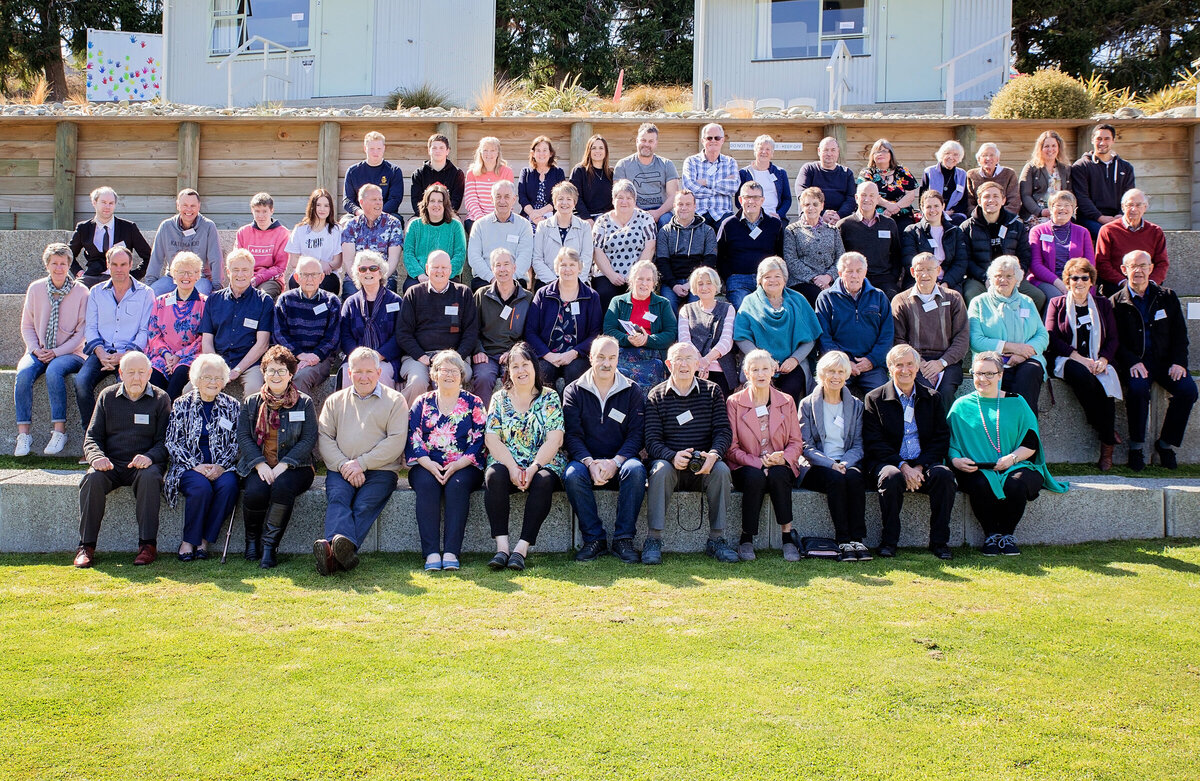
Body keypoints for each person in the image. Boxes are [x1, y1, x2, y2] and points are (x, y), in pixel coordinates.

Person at [949, 351, 1068, 555]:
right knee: (979, 483)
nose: (982, 379)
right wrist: (956, 461)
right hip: (977, 468)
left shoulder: (1017, 402)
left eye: (989, 374)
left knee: (1016, 482)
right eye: (977, 373)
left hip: (1016, 463)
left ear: (1000, 375)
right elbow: (950, 442)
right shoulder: (961, 406)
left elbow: (1031, 443)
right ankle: (991, 535)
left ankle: (1006, 535)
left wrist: (1012, 458)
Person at [314, 346, 409, 576]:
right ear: (348, 373)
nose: (363, 377)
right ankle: (340, 554)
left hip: (381, 470)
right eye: (358, 372)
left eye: (369, 371)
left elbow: (396, 441)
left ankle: (331, 555)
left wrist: (362, 463)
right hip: (341, 468)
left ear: (379, 372)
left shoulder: (395, 401)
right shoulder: (334, 401)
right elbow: (325, 437)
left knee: (364, 504)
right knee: (338, 498)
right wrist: (346, 465)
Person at [643, 342, 738, 565]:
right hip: (670, 467)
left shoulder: (712, 391)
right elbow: (651, 441)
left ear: (698, 363)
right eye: (678, 358)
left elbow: (723, 431)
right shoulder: (655, 395)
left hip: (703, 467)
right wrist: (671, 456)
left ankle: (717, 539)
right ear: (668, 364)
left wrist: (713, 455)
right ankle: (653, 539)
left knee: (722, 470)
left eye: (689, 358)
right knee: (659, 469)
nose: (683, 364)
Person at [74, 351, 169, 568]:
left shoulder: (161, 398)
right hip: (111, 464)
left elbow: (166, 442)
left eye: (141, 373)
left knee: (150, 478)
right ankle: (85, 546)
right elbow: (92, 437)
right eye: (131, 373)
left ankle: (147, 546)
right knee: (91, 479)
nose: (136, 378)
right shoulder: (107, 396)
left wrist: (150, 457)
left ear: (150, 373)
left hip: (144, 465)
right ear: (121, 374)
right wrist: (96, 457)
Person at [862, 344, 957, 560]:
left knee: (944, 475)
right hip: (890, 461)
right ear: (889, 368)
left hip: (923, 462)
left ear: (917, 368)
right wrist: (903, 466)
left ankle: (939, 542)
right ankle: (889, 542)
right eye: (898, 365)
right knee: (892, 477)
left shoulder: (932, 397)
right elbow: (874, 442)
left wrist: (919, 466)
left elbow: (940, 439)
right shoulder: (874, 399)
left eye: (909, 365)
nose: (904, 370)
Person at [562, 335, 647, 564]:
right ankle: (594, 539)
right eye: (601, 357)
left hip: (620, 461)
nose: (606, 363)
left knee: (636, 470)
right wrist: (590, 463)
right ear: (591, 358)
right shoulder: (573, 391)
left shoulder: (632, 390)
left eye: (612, 358)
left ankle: (623, 539)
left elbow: (636, 435)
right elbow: (572, 436)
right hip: (585, 462)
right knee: (571, 475)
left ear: (618, 359)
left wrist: (614, 462)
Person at [483, 342, 567, 571]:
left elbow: (555, 439)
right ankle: (502, 548)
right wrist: (511, 466)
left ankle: (521, 549)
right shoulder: (500, 398)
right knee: (493, 474)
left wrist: (533, 467)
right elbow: (491, 439)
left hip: (542, 462)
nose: (521, 371)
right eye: (515, 366)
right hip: (508, 460)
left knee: (543, 480)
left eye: (525, 365)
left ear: (535, 367)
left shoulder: (549, 397)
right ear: (508, 371)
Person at [1110, 250, 1195, 470]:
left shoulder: (1167, 296)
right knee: (1138, 391)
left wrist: (1179, 362)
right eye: (1133, 266)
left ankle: (1165, 444)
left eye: (1143, 266)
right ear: (1124, 270)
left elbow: (1180, 334)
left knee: (1188, 391)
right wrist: (1130, 362)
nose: (1138, 270)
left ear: (1150, 268)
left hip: (1166, 362)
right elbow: (1114, 341)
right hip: (1136, 363)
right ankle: (1136, 447)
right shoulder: (1115, 302)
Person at [406, 350, 487, 572]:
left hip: (465, 465)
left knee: (457, 486)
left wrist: (459, 464)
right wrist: (427, 463)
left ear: (462, 375)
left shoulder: (474, 403)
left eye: (454, 371)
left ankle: (451, 551)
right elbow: (413, 435)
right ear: (434, 374)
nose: (449, 375)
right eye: (443, 370)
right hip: (427, 464)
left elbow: (480, 438)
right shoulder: (422, 402)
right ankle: (431, 552)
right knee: (426, 485)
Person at [237, 345, 318, 567]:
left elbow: (309, 438)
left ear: (291, 374)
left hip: (296, 467)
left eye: (282, 370)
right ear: (263, 373)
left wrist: (285, 464)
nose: (276, 375)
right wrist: (260, 464)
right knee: (254, 491)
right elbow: (244, 437)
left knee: (282, 487)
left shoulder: (304, 402)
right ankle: (251, 542)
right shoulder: (251, 403)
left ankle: (269, 547)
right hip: (259, 464)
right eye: (271, 370)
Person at [725, 349, 804, 561]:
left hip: (780, 463)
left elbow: (797, 442)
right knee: (755, 476)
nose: (760, 374)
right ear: (746, 373)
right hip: (746, 466)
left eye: (765, 369)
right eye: (755, 369)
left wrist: (783, 457)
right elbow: (731, 448)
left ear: (773, 372)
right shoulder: (734, 402)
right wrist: (758, 463)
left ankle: (787, 538)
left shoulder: (786, 401)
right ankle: (746, 539)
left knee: (778, 474)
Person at [1044, 258, 1123, 469]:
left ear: (1091, 281)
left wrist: (1103, 359)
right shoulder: (1057, 304)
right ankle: (1106, 433)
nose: (1079, 282)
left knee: (1104, 385)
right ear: (1067, 281)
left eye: (1084, 278)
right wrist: (1079, 358)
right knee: (1080, 374)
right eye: (1074, 278)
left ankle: (1106, 452)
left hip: (1099, 358)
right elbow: (1051, 337)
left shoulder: (1103, 304)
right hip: (1068, 359)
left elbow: (1114, 338)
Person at [164, 353, 240, 562]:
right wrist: (195, 465)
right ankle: (189, 541)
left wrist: (220, 466)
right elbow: (172, 442)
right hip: (188, 467)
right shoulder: (181, 404)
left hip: (222, 466)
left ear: (224, 381)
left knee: (229, 486)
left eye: (218, 378)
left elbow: (236, 442)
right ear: (196, 379)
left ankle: (205, 539)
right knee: (201, 488)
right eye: (207, 377)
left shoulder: (232, 406)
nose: (212, 382)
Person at [15, 243, 88, 457]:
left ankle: (59, 431)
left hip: (71, 353)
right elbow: (27, 325)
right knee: (24, 373)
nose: (59, 268)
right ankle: (24, 434)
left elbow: (81, 333)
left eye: (63, 264)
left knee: (54, 370)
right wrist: (36, 349)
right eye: (54, 263)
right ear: (47, 265)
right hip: (39, 350)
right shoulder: (36, 289)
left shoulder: (81, 291)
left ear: (69, 265)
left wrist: (56, 352)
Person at [797, 351, 869, 562]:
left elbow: (858, 444)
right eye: (831, 371)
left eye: (840, 371)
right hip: (816, 466)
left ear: (847, 374)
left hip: (848, 462)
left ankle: (858, 539)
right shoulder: (808, 404)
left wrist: (844, 463)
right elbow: (806, 446)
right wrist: (831, 464)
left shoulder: (856, 405)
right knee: (836, 479)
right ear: (821, 373)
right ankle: (843, 539)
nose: (835, 376)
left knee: (855, 478)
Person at [75, 246, 155, 433]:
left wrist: (125, 355)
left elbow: (145, 330)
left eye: (123, 264)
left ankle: (122, 438)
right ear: (107, 265)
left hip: (129, 353)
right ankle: (91, 437)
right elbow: (91, 327)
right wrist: (101, 353)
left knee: (128, 387)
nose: (119, 269)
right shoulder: (96, 292)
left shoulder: (145, 293)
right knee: (81, 382)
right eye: (114, 264)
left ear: (131, 265)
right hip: (101, 351)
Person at [968, 256, 1049, 415]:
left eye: (1008, 276)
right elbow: (975, 340)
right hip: (993, 360)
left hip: (1026, 359)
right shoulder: (979, 302)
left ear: (1017, 279)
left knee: (1030, 373)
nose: (1003, 280)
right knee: (1001, 377)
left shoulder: (1027, 301)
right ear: (991, 278)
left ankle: (1026, 432)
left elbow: (1042, 335)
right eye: (998, 276)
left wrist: (1023, 354)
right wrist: (1012, 347)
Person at [396, 249, 479, 406]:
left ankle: (452, 424)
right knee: (417, 382)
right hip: (419, 358)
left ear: (450, 269)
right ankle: (409, 423)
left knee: (450, 379)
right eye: (435, 267)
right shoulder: (413, 293)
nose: (439, 271)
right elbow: (403, 333)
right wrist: (423, 358)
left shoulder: (463, 293)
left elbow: (471, 332)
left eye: (443, 267)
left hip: (455, 357)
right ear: (427, 269)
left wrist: (454, 358)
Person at [734, 256, 821, 403]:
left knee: (790, 391)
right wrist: (765, 360)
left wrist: (794, 359)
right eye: (767, 277)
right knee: (763, 395)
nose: (773, 280)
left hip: (793, 364)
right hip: (760, 365)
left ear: (785, 279)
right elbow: (741, 337)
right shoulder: (749, 302)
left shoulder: (798, 300)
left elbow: (810, 338)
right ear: (760, 280)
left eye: (777, 276)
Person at [891, 252, 970, 411]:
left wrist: (941, 363)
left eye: (930, 269)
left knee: (946, 392)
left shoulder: (954, 298)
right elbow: (898, 340)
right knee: (925, 392)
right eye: (920, 270)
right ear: (913, 272)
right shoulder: (901, 300)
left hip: (948, 361)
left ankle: (945, 434)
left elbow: (962, 338)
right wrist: (919, 362)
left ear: (938, 270)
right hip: (914, 361)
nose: (925, 274)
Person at [815, 252, 893, 396]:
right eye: (849, 271)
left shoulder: (879, 296)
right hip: (838, 365)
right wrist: (844, 362)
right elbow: (824, 336)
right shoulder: (826, 298)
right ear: (840, 273)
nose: (854, 275)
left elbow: (887, 335)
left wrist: (872, 360)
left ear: (865, 272)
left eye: (859, 271)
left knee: (883, 398)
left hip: (872, 365)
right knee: (829, 397)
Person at [199, 249, 273, 397]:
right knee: (189, 390)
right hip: (218, 360)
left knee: (254, 392)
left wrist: (237, 370)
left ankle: (248, 421)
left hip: (250, 363)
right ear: (228, 272)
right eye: (236, 270)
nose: (240, 274)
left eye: (245, 270)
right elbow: (206, 341)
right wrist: (218, 367)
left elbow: (262, 344)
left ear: (252, 272)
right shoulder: (213, 300)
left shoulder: (264, 301)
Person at [961, 180, 1043, 311]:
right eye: (986, 196)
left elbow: (1024, 255)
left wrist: (1014, 276)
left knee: (1037, 297)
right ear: (979, 201)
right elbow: (965, 259)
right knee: (971, 295)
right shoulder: (967, 227)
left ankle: (1022, 327)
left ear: (1003, 200)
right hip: (980, 278)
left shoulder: (1016, 224)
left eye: (995, 196)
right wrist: (985, 277)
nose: (991, 200)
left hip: (1010, 276)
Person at [525, 247, 602, 386]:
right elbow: (530, 332)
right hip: (547, 355)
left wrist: (574, 353)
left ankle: (572, 408)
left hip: (578, 356)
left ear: (579, 268)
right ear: (556, 268)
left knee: (576, 372)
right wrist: (547, 355)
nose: (568, 269)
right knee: (543, 372)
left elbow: (595, 334)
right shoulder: (543, 294)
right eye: (563, 265)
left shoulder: (591, 296)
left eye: (572, 265)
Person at [272, 256, 341, 396]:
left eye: (314, 274)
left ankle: (301, 418)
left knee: (300, 377)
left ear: (321, 277)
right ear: (296, 277)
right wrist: (299, 354)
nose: (310, 279)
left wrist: (315, 355)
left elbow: (333, 337)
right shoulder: (285, 300)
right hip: (290, 355)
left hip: (321, 358)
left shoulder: (331, 301)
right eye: (305, 275)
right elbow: (279, 333)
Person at [472, 248, 532, 407]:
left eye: (506, 264)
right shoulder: (481, 295)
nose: (502, 269)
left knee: (518, 376)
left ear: (514, 268)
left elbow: (530, 333)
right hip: (487, 354)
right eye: (498, 265)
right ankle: (481, 424)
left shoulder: (527, 298)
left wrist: (515, 351)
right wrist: (478, 350)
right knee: (483, 377)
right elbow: (471, 327)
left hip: (515, 353)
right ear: (492, 269)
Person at [603, 259, 677, 388]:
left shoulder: (663, 303)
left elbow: (671, 334)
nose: (644, 283)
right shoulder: (618, 302)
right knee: (618, 379)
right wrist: (627, 339)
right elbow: (609, 330)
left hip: (652, 354)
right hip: (623, 352)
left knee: (652, 377)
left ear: (654, 283)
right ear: (632, 280)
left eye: (649, 280)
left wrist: (647, 340)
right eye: (640, 279)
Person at [146, 251, 207, 400]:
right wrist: (167, 355)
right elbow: (153, 333)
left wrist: (179, 356)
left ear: (198, 275)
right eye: (181, 272)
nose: (186, 277)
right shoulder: (160, 302)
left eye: (190, 272)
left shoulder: (205, 303)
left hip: (190, 356)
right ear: (173, 275)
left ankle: (172, 420)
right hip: (163, 356)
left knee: (178, 378)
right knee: (153, 379)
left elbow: (204, 337)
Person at [339, 250, 404, 388]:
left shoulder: (395, 301)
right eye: (363, 269)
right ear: (358, 274)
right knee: (346, 372)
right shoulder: (351, 303)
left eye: (373, 268)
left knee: (382, 374)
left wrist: (378, 356)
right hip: (356, 360)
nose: (368, 272)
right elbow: (345, 336)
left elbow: (400, 334)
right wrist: (361, 358)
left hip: (386, 359)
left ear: (381, 273)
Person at [591, 178, 657, 310]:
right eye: (620, 197)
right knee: (605, 294)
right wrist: (611, 275)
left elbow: (650, 248)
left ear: (634, 200)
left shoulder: (645, 218)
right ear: (613, 200)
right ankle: (607, 330)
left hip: (637, 275)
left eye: (629, 198)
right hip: (606, 274)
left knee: (636, 297)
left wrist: (635, 276)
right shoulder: (602, 221)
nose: (624, 201)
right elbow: (597, 250)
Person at [716, 181, 784, 308]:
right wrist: (728, 277)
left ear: (762, 200)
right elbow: (719, 255)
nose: (751, 201)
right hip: (738, 280)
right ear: (741, 200)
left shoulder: (774, 225)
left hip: (767, 279)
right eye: (747, 197)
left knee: (770, 310)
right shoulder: (728, 225)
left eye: (756, 197)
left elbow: (780, 254)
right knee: (744, 310)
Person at [68, 186, 152, 288]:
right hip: (91, 278)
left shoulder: (128, 228)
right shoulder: (84, 228)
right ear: (94, 203)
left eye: (111, 203)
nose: (107, 206)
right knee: (74, 290)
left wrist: (134, 275)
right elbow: (68, 254)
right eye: (103, 202)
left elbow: (149, 256)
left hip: (120, 278)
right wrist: (78, 272)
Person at [145, 189, 223, 295]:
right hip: (172, 278)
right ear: (177, 205)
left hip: (199, 278)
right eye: (185, 205)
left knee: (199, 297)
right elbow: (156, 258)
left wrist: (216, 288)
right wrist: (150, 286)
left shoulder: (208, 226)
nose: (189, 209)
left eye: (193, 206)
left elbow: (216, 259)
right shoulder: (166, 227)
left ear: (199, 206)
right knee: (152, 294)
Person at [1094, 189, 1168, 296]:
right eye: (1129, 205)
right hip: (1117, 286)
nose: (1134, 209)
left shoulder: (1155, 231)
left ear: (1145, 208)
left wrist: (1150, 283)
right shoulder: (1108, 230)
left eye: (1138, 205)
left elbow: (1162, 263)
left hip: (1148, 286)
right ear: (1123, 207)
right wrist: (1124, 283)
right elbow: (1102, 263)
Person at [678, 266, 737, 397]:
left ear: (716, 286)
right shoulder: (686, 310)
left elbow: (727, 341)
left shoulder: (728, 308)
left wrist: (706, 361)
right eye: (700, 284)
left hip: (722, 371)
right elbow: (684, 341)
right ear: (694, 287)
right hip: (693, 368)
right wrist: (699, 362)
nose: (704, 287)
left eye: (709, 283)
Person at [654, 189, 717, 312]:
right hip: (672, 282)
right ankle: (671, 332)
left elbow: (710, 261)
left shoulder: (707, 231)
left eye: (688, 204)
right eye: (680, 204)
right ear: (674, 206)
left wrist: (691, 283)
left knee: (697, 309)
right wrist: (674, 285)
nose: (684, 208)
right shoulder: (665, 232)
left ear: (694, 206)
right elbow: (662, 262)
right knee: (667, 306)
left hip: (699, 281)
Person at [836, 181, 902, 299]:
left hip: (884, 279)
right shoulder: (844, 225)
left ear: (878, 199)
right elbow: (838, 256)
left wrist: (893, 277)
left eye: (872, 196)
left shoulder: (889, 224)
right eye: (863, 195)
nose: (867, 199)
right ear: (856, 198)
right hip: (854, 279)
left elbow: (896, 254)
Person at [1070, 123, 1135, 240]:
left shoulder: (1126, 167)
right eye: (1099, 139)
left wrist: (1120, 215)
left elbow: (1130, 196)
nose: (1102, 143)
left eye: (1107, 139)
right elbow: (1082, 198)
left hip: (1119, 217)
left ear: (1113, 140)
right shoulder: (1081, 166)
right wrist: (1100, 217)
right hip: (1090, 219)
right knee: (1109, 233)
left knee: (1142, 232)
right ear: (1092, 140)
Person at [1028, 191, 1095, 302]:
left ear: (1074, 209)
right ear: (1050, 209)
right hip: (1046, 281)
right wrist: (1060, 284)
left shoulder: (1083, 232)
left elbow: (1090, 264)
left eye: (1067, 205)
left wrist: (1078, 282)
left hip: (1077, 280)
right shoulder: (1037, 231)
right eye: (1058, 205)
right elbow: (1035, 265)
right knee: (1058, 299)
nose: (1062, 208)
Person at [782, 186, 845, 306]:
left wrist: (828, 277)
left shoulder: (833, 230)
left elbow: (841, 258)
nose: (811, 208)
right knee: (822, 300)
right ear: (801, 206)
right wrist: (815, 278)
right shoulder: (792, 230)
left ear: (822, 206)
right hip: (802, 282)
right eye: (807, 204)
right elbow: (791, 261)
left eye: (815, 204)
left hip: (831, 282)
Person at [467, 179, 534, 290]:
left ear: (514, 199)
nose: (502, 201)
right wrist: (492, 278)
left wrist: (509, 279)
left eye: (507, 197)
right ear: (491, 199)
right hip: (485, 280)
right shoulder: (479, 225)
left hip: (515, 280)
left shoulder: (524, 225)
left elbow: (525, 258)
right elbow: (474, 257)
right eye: (498, 196)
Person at [340, 183, 405, 296]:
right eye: (374, 199)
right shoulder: (351, 225)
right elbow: (349, 261)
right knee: (351, 294)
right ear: (361, 202)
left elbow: (393, 260)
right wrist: (363, 280)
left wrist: (377, 280)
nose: (379, 202)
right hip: (357, 277)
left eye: (380, 199)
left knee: (388, 300)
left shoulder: (393, 224)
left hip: (385, 277)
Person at [901, 190, 969, 294]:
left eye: (936, 206)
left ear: (943, 206)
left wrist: (946, 283)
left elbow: (961, 262)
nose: (932, 210)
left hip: (950, 282)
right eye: (928, 207)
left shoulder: (955, 232)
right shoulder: (911, 231)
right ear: (921, 208)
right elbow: (909, 261)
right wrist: (932, 282)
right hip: (920, 281)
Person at [612, 122, 679, 228]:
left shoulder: (667, 164)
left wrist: (657, 213)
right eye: (643, 140)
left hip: (661, 210)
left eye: (651, 141)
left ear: (656, 143)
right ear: (637, 141)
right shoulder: (623, 165)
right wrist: (642, 214)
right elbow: (618, 196)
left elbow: (673, 196)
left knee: (667, 221)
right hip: (633, 210)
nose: (646, 144)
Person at [402, 183, 467, 290]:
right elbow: (408, 254)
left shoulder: (455, 226)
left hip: (448, 276)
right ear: (426, 204)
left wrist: (443, 275)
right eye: (432, 201)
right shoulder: (415, 225)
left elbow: (459, 255)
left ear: (445, 204)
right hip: (420, 276)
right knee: (410, 288)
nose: (436, 205)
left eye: (440, 201)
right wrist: (420, 275)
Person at [531, 181, 594, 286]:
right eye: (560, 199)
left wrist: (574, 282)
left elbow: (586, 258)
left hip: (577, 282)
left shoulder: (584, 227)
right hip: (547, 281)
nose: (564, 203)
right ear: (554, 203)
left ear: (574, 203)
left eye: (569, 199)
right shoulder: (542, 226)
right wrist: (554, 282)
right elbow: (537, 259)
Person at [285, 188, 342, 295]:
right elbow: (293, 261)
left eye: (326, 205)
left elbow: (337, 262)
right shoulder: (300, 229)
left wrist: (326, 267)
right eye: (318, 205)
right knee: (295, 280)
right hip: (303, 273)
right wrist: (318, 264)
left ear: (330, 208)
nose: (322, 209)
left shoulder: (336, 230)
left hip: (327, 275)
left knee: (323, 284)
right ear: (312, 206)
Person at [682, 123, 739, 227]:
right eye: (709, 138)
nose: (713, 141)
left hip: (723, 213)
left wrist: (706, 182)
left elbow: (733, 187)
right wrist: (720, 189)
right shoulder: (691, 161)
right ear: (702, 140)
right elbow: (689, 189)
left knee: (733, 229)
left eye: (717, 138)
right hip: (698, 213)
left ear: (722, 140)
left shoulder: (730, 162)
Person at [234, 192, 290, 298]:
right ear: (252, 211)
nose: (261, 216)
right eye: (257, 211)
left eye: (264, 211)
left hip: (271, 280)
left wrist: (258, 278)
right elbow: (236, 261)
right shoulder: (243, 232)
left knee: (262, 297)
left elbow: (280, 267)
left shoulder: (283, 233)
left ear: (272, 210)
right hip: (245, 277)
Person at [858, 138, 919, 229]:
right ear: (873, 156)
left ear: (891, 154)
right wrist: (888, 205)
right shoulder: (867, 173)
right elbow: (866, 195)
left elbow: (910, 195)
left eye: (884, 151)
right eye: (877, 152)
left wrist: (895, 207)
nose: (880, 154)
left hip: (902, 214)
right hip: (876, 215)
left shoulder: (902, 171)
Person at [342, 130, 403, 220]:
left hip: (385, 214)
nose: (375, 152)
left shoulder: (394, 171)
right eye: (372, 149)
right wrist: (360, 212)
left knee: (397, 220)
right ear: (365, 149)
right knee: (344, 221)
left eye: (379, 149)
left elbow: (395, 199)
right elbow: (347, 200)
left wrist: (378, 213)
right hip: (358, 215)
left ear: (384, 148)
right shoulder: (352, 171)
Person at [795, 136, 857, 225]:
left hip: (840, 220)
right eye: (826, 150)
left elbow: (851, 199)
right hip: (812, 217)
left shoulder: (847, 173)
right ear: (819, 151)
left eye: (833, 150)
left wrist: (839, 215)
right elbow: (802, 194)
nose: (829, 153)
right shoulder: (809, 169)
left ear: (838, 152)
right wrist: (821, 213)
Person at [1019, 130, 1073, 224]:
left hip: (1059, 214)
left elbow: (1069, 194)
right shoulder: (1031, 167)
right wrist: (1040, 212)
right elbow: (1025, 195)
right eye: (1046, 146)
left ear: (1059, 148)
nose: (1050, 149)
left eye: (1053, 146)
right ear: (1040, 148)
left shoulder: (1065, 168)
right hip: (1036, 215)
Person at [462, 136, 515, 229]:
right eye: (485, 150)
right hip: (476, 218)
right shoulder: (472, 173)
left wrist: (496, 219)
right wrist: (482, 219)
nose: (489, 154)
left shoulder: (507, 172)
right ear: (480, 152)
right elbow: (471, 200)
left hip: (501, 217)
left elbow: (508, 198)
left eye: (493, 150)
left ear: (498, 153)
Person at [738, 134, 792, 220]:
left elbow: (787, 199)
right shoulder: (744, 173)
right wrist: (749, 215)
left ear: (772, 153)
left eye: (768, 149)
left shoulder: (780, 173)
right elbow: (739, 200)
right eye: (761, 149)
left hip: (775, 217)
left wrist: (779, 214)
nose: (764, 152)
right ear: (755, 151)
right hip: (751, 217)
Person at [518, 135, 567, 229]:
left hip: (551, 216)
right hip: (529, 215)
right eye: (538, 150)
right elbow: (522, 197)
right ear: (533, 153)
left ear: (551, 153)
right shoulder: (525, 172)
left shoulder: (558, 172)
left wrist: (540, 213)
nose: (541, 154)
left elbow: (559, 197)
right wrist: (533, 214)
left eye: (545, 150)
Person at [410, 132, 465, 214]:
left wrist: (443, 216)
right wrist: (427, 216)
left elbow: (456, 202)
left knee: (458, 222)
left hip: (448, 216)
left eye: (441, 148)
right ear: (429, 151)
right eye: (434, 148)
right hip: (424, 215)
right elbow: (416, 201)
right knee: (411, 223)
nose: (438, 151)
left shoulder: (457, 174)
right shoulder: (419, 174)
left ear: (447, 151)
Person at [920, 140, 970, 225]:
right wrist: (936, 211)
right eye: (947, 153)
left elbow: (963, 202)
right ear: (941, 155)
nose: (951, 157)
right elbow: (922, 199)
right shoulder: (929, 172)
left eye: (955, 154)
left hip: (953, 215)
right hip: (932, 212)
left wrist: (950, 212)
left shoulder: (962, 174)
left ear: (959, 158)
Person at [966, 142, 1021, 215]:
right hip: (979, 217)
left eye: (992, 155)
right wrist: (981, 216)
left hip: (1004, 217)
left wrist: (999, 216)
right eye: (984, 155)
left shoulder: (1009, 174)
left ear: (997, 159)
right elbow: (969, 201)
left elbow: (1014, 202)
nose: (988, 158)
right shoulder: (971, 175)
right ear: (979, 160)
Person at [568, 133, 614, 223]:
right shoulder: (579, 171)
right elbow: (575, 197)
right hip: (583, 216)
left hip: (605, 218)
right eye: (594, 148)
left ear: (606, 151)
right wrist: (587, 218)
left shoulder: (611, 173)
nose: (597, 151)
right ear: (589, 150)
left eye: (601, 148)